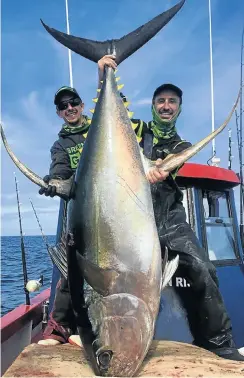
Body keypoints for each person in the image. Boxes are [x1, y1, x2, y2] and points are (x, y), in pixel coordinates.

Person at [38, 56, 244, 361]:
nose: (166, 106)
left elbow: (167, 164)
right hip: (130, 221)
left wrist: (158, 168)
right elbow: (106, 128)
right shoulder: (136, 129)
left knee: (201, 267)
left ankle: (217, 343)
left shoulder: (179, 143)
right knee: (77, 262)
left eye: (172, 101)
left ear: (179, 107)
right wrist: (103, 77)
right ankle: (62, 327)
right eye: (161, 100)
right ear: (153, 106)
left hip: (167, 219)